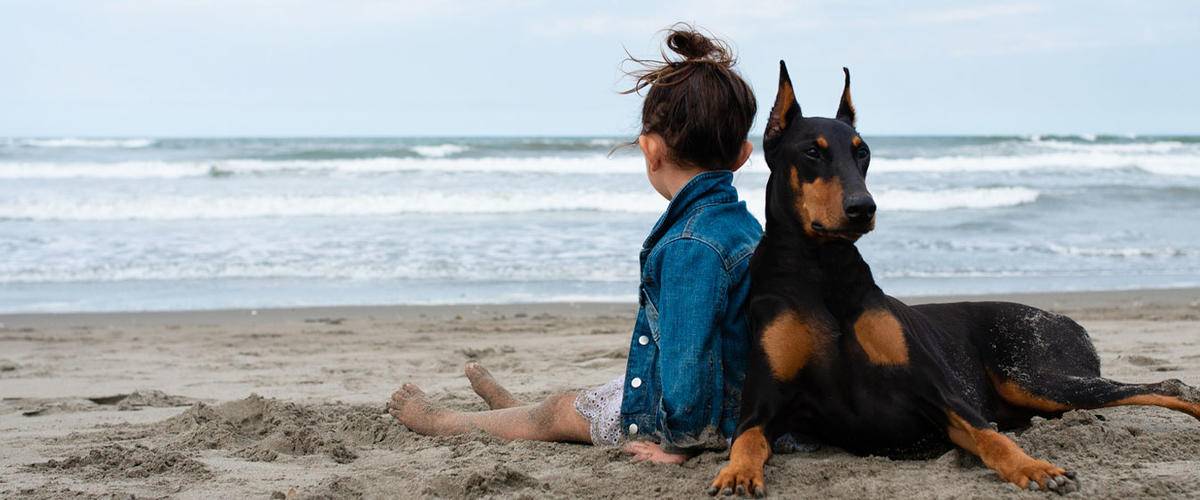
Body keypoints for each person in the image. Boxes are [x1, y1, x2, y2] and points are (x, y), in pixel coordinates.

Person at [388, 24, 761, 464]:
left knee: (556, 411)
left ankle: (444, 422)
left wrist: (679, 445)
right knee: (590, 395)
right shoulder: (744, 228)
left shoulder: (688, 247)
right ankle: (512, 412)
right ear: (741, 154)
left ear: (650, 150)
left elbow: (687, 358)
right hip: (737, 403)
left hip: (702, 421)